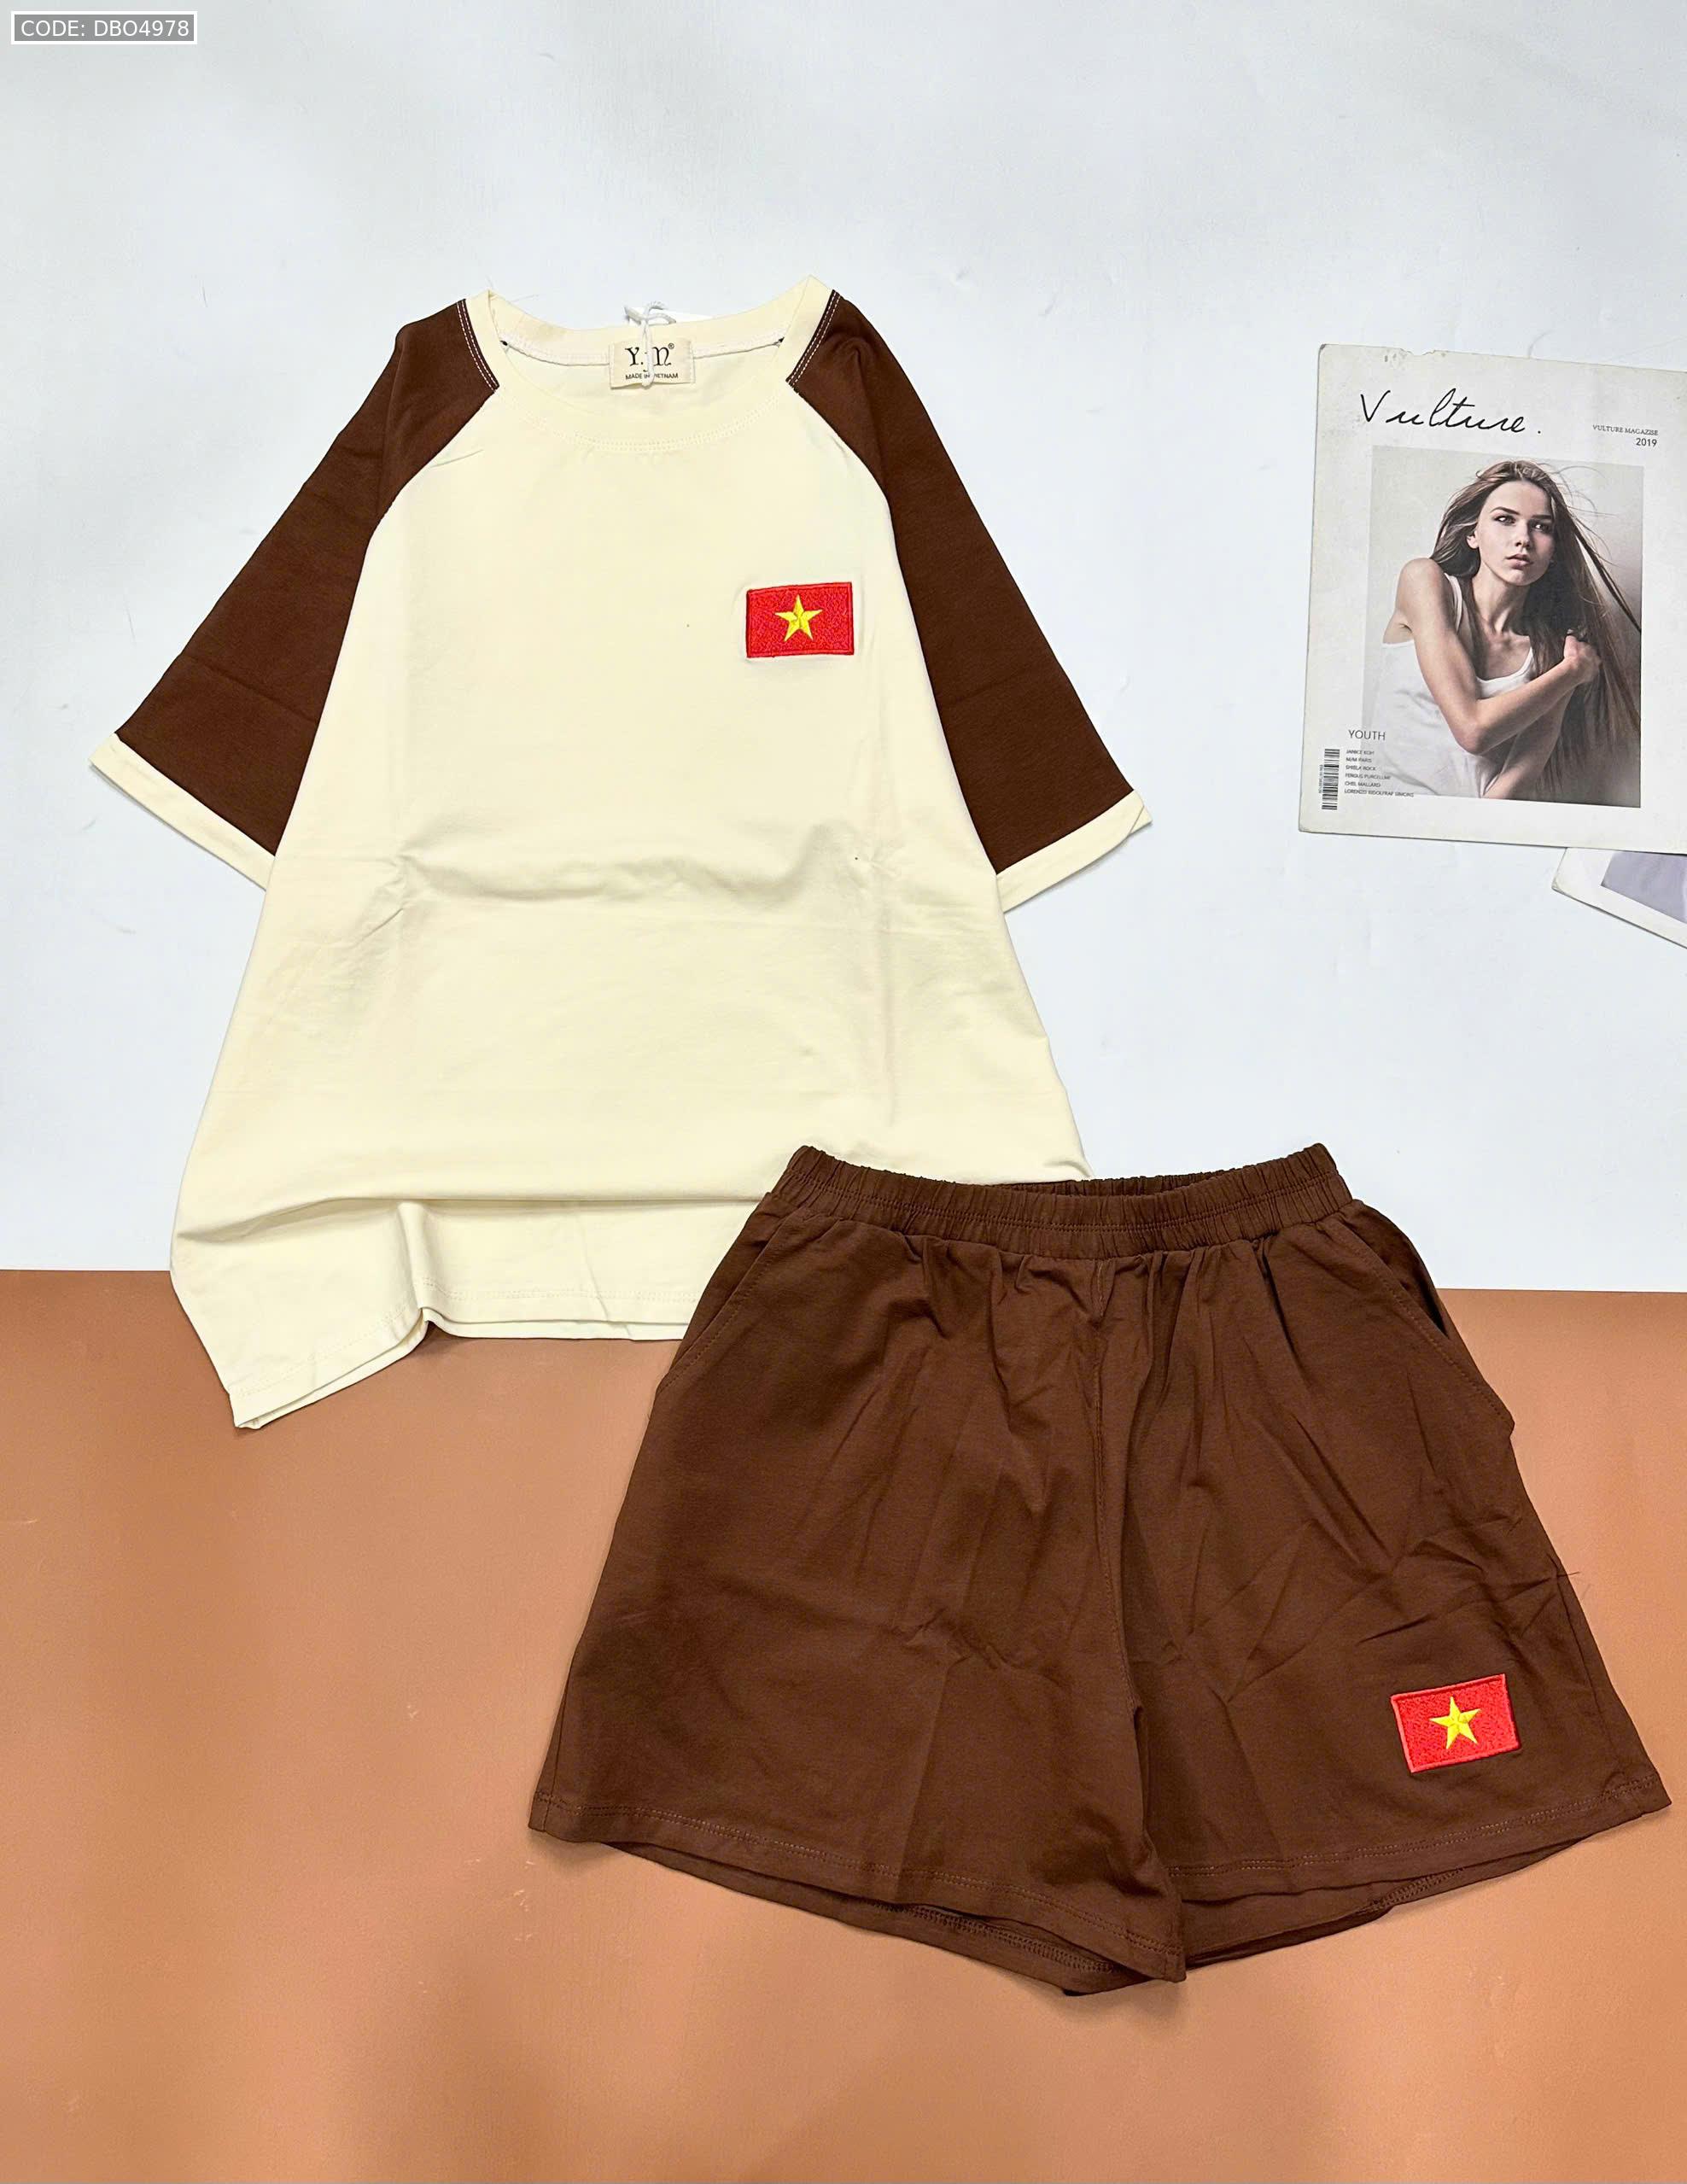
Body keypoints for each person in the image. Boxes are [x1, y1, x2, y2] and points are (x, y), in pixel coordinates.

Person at [1371, 461, 1637, 802]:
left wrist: (1565, 671)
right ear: (1473, 534)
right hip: (1389, 814)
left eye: (1541, 527)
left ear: (1554, 551)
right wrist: (1572, 673)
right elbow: (1473, 731)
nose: (1523, 539)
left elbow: (1517, 780)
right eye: (1505, 519)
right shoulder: (1425, 581)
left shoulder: (1552, 651)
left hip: (1478, 823)